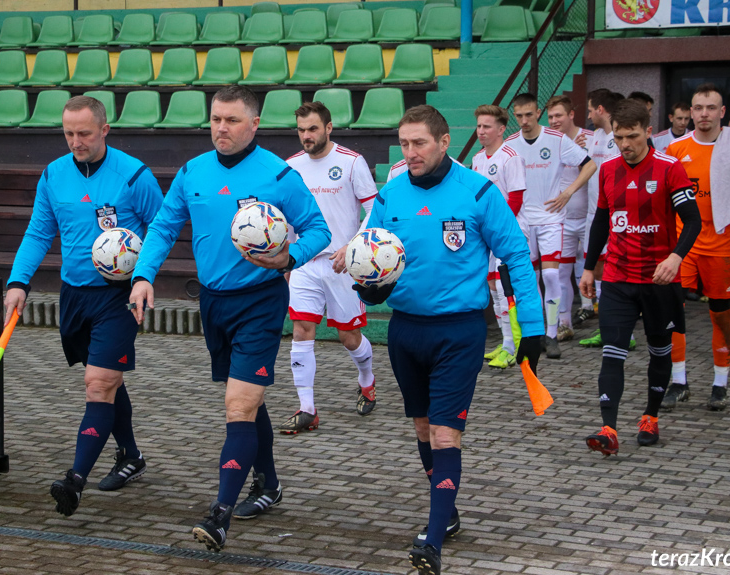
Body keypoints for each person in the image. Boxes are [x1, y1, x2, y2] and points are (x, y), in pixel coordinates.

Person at [129, 86, 330, 550]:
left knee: (238, 406)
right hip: (213, 304)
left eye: (232, 120)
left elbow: (319, 229)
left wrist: (290, 258)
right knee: (248, 401)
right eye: (216, 119)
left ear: (254, 124)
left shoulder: (278, 175)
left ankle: (219, 515)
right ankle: (270, 484)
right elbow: (162, 226)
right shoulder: (191, 172)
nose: (221, 127)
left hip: (260, 302)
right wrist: (143, 275)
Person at [358, 105, 543, 575]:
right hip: (404, 331)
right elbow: (372, 255)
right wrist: (368, 286)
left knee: (445, 432)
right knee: (423, 430)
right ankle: (448, 510)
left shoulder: (478, 192)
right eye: (404, 143)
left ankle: (433, 539)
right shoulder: (390, 195)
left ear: (443, 142)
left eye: (419, 142)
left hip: (459, 332)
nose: (411, 152)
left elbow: (517, 257)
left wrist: (534, 328)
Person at [4, 95, 164, 516]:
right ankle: (131, 455)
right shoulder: (53, 175)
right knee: (109, 382)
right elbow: (39, 233)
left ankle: (74, 481)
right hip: (74, 295)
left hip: (118, 297)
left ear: (105, 130)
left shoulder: (134, 176)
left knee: (97, 383)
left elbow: (162, 229)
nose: (76, 141)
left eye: (84, 133)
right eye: (69, 133)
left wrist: (141, 268)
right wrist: (18, 282)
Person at [580, 99, 701, 455]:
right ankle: (608, 429)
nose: (625, 144)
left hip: (659, 281)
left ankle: (650, 416)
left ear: (648, 132)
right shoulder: (607, 170)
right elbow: (601, 221)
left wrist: (676, 257)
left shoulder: (670, 168)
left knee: (658, 350)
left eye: (632, 136)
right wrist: (590, 267)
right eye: (618, 137)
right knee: (612, 352)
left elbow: (693, 220)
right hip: (617, 277)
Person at [663, 84, 730, 411]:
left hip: (722, 246)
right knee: (672, 311)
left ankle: (720, 383)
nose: (704, 114)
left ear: (722, 113)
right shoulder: (676, 150)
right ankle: (678, 381)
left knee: (720, 316)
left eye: (711, 108)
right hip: (685, 247)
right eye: (698, 108)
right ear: (690, 112)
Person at [280, 101, 378, 433]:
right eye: (301, 130)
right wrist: (289, 259)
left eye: (313, 129)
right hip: (306, 262)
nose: (306, 136)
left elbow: (373, 210)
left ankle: (367, 379)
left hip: (343, 263)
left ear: (328, 127)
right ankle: (307, 407)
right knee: (302, 330)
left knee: (348, 336)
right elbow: (285, 216)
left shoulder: (352, 162)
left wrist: (353, 246)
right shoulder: (290, 166)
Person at [505, 93, 597, 359]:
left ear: (538, 113)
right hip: (522, 220)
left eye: (529, 115)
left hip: (550, 218)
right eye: (519, 116)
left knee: (550, 276)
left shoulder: (557, 140)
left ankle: (553, 334)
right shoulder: (511, 144)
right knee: (528, 278)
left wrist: (568, 192)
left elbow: (589, 165)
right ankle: (532, 333)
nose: (524, 120)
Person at [471, 104, 528, 368]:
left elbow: (515, 198)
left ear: (502, 129)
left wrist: (497, 229)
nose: (481, 131)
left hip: (508, 233)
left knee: (506, 289)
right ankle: (506, 343)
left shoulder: (510, 156)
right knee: (494, 289)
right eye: (479, 126)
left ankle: (516, 346)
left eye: (487, 126)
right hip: (489, 234)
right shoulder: (478, 158)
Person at [578, 89, 627, 345]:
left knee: (612, 271)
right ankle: (606, 324)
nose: (588, 114)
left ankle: (619, 329)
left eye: (589, 109)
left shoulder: (619, 139)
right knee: (596, 269)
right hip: (593, 214)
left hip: (615, 215)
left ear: (600, 110)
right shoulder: (594, 136)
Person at [546, 95, 593, 342]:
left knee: (598, 270)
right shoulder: (547, 142)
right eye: (550, 117)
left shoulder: (591, 139)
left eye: (559, 116)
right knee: (560, 272)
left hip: (590, 218)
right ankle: (563, 324)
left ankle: (607, 325)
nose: (554, 121)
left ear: (571, 114)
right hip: (562, 218)